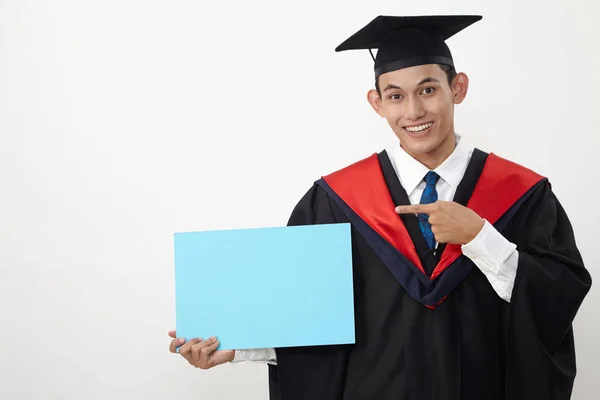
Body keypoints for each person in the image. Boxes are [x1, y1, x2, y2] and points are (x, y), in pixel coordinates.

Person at [168, 14, 592, 400]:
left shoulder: (523, 194)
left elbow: (556, 301)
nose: (414, 111)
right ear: (376, 102)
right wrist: (234, 346)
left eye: (428, 89)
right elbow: (306, 315)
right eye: (396, 96)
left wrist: (480, 236)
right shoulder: (334, 200)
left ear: (457, 88)